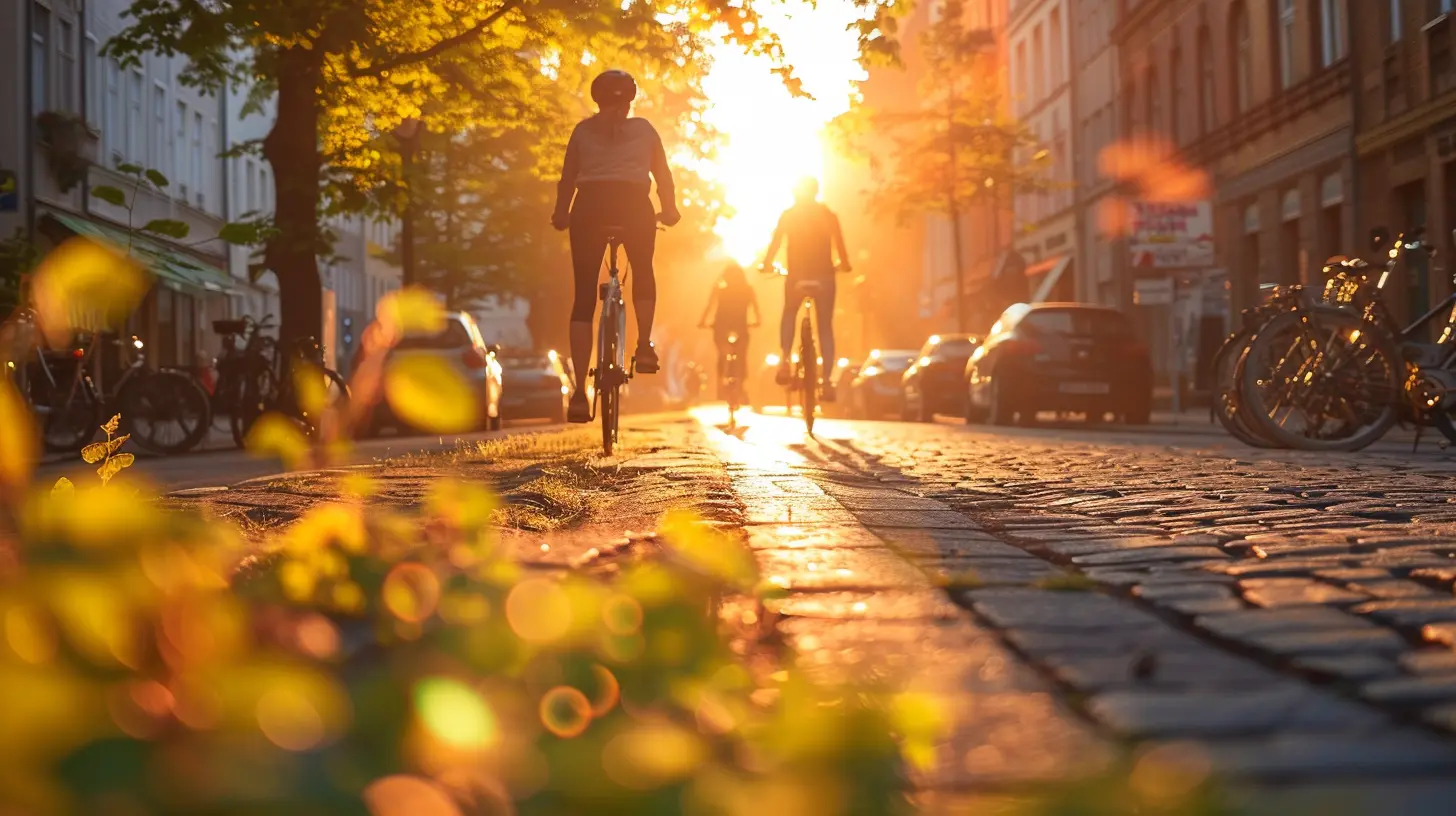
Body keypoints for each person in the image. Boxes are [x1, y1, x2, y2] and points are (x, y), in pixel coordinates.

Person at [552, 69, 681, 423]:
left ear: (597, 99)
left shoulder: (582, 131)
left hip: (590, 209)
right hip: (633, 207)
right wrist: (669, 210)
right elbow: (663, 176)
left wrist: (561, 214)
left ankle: (579, 393)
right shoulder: (645, 130)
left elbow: (567, 180)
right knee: (642, 268)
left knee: (583, 296)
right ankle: (644, 345)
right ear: (630, 100)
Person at [760, 176, 850, 401]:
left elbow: (776, 242)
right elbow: (839, 244)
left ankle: (784, 360)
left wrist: (767, 263)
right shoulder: (828, 215)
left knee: (790, 312)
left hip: (797, 276)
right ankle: (827, 380)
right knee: (825, 326)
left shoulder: (789, 215)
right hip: (825, 278)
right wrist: (845, 264)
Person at [697, 263, 761, 395]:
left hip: (721, 327)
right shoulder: (748, 290)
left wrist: (702, 322)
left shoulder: (719, 290)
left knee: (722, 353)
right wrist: (757, 322)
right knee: (742, 355)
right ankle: (742, 385)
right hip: (741, 327)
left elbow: (709, 306)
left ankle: (721, 383)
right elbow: (756, 309)